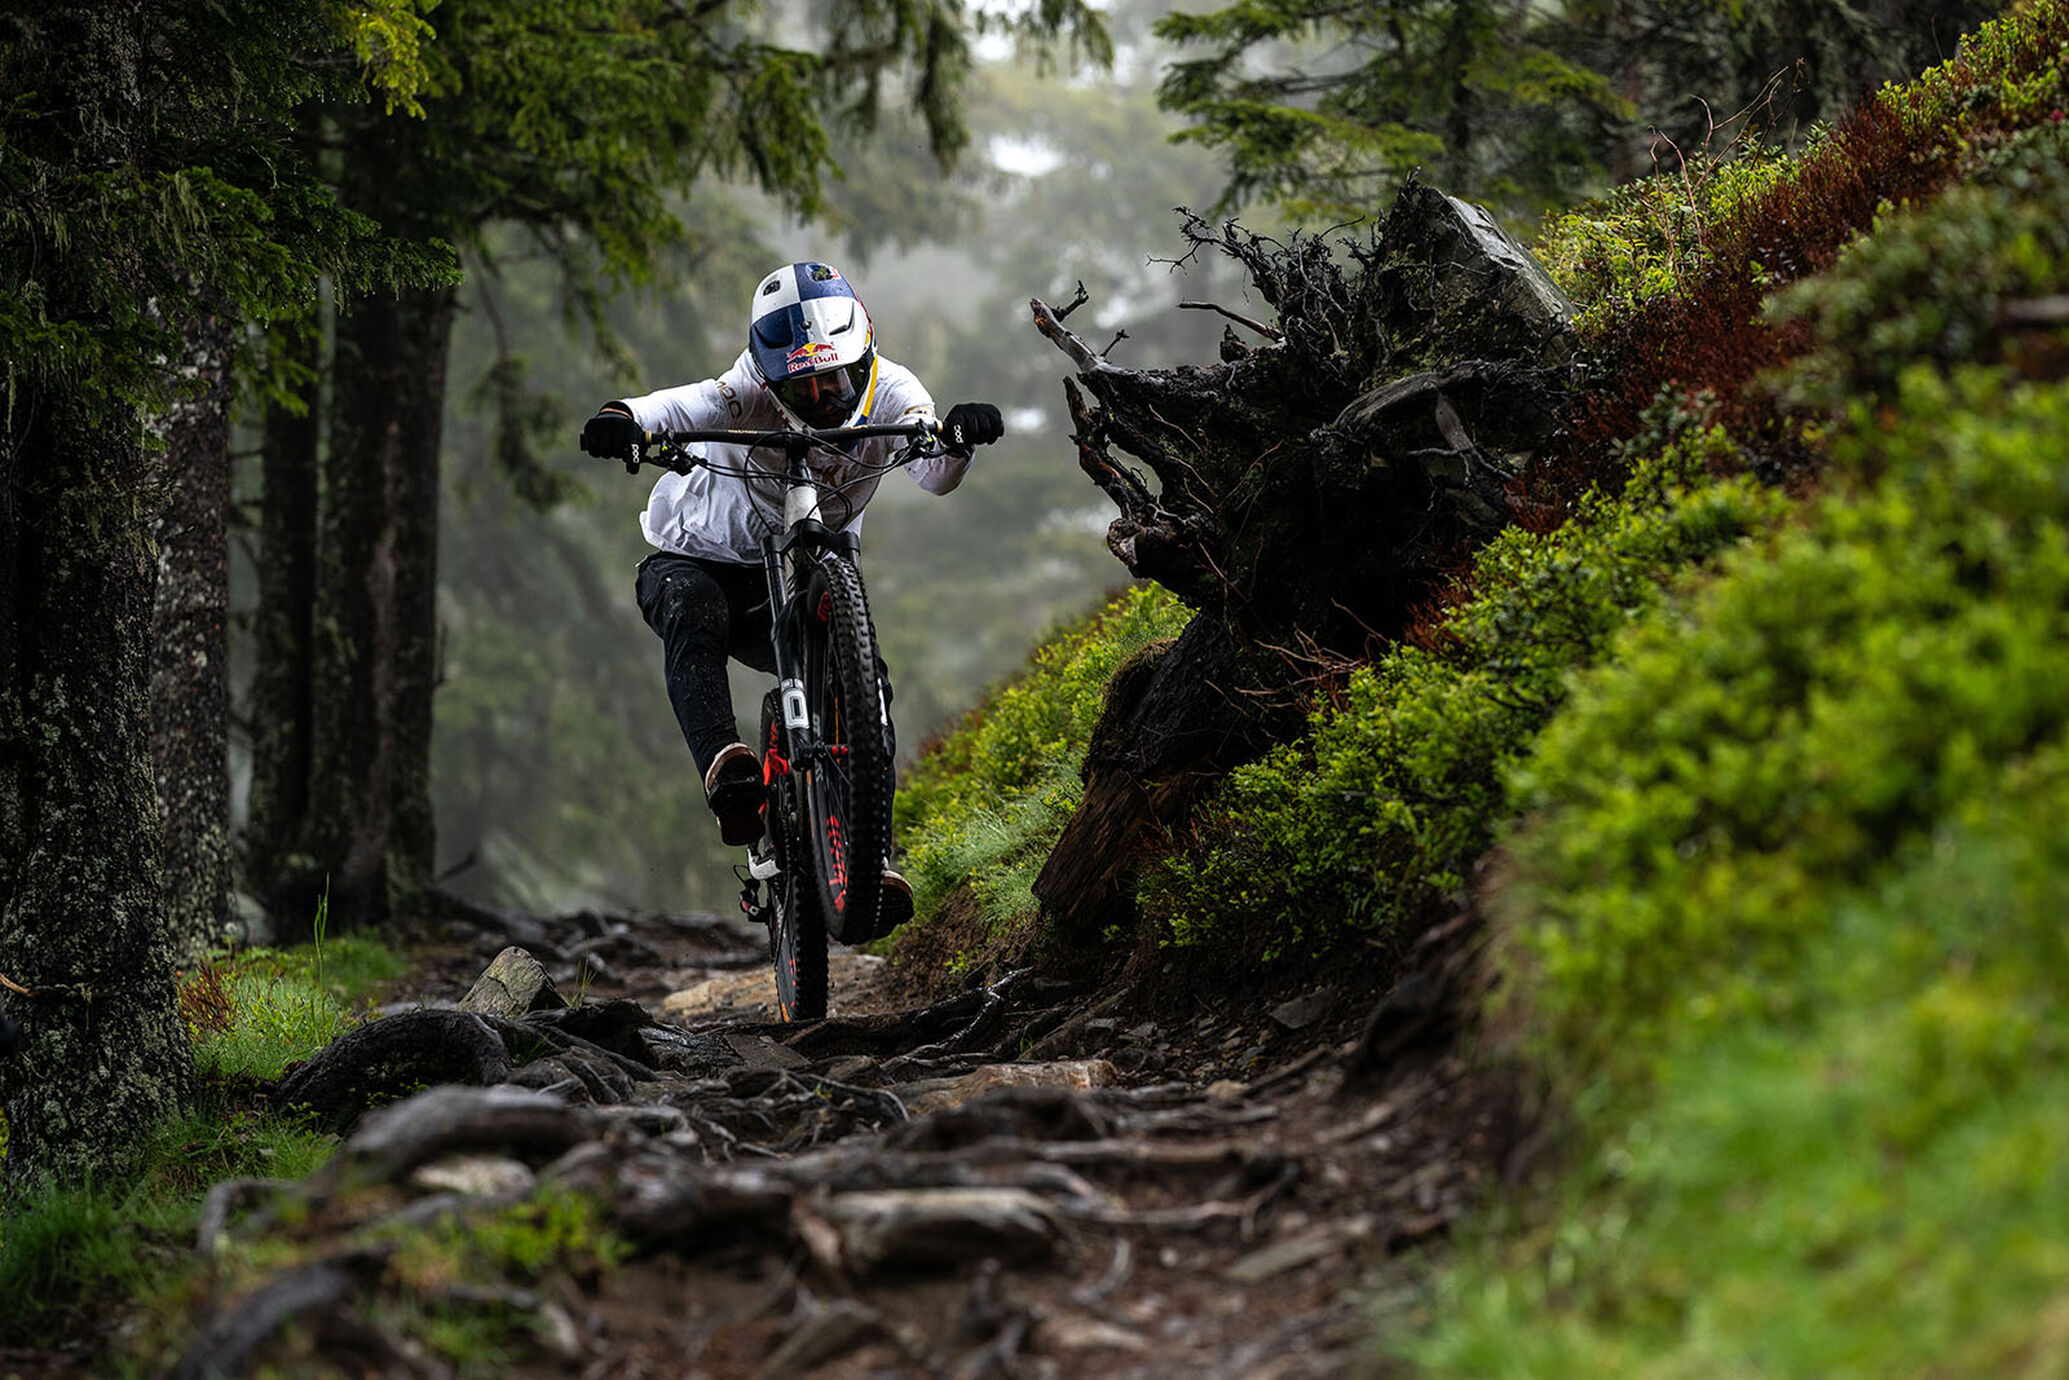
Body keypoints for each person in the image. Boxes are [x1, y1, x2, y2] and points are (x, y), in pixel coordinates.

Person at [577, 261, 1003, 923]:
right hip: (697, 562)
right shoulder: (744, 389)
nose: (828, 398)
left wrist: (959, 436)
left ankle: (870, 857)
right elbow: (679, 406)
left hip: (808, 566)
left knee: (868, 683)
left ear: (865, 356)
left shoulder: (892, 390)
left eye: (838, 378)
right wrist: (621, 416)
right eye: (805, 388)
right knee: (695, 611)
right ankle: (728, 771)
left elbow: (933, 469)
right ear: (771, 379)